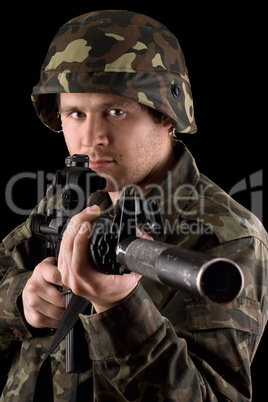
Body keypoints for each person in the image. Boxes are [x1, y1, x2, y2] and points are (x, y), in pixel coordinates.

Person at [0, 9, 267, 401]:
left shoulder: (226, 238)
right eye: (76, 113)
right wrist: (22, 300)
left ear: (166, 115)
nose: (91, 139)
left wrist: (119, 308)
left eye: (115, 111)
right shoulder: (72, 198)